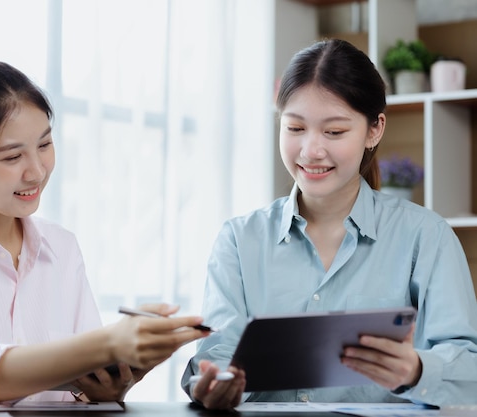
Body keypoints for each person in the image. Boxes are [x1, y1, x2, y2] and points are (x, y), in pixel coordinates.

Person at [180, 39, 477, 409]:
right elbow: (218, 350)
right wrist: (214, 384)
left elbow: (470, 371)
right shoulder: (239, 240)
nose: (310, 150)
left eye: (334, 132)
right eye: (295, 128)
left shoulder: (426, 237)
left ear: (375, 130)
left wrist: (417, 370)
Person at [0, 60, 208, 404]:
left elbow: (86, 390)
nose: (37, 172)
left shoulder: (61, 247)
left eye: (44, 145)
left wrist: (109, 385)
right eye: (12, 157)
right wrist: (108, 343)